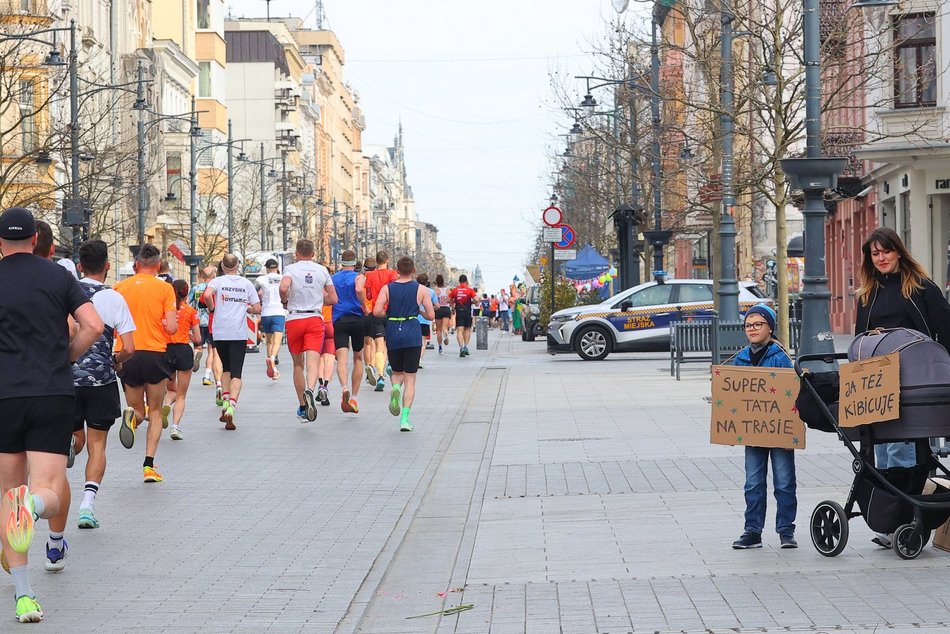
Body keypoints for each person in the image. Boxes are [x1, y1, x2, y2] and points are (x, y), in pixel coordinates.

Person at [0, 207, 104, 622]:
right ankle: (35, 507)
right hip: (51, 392)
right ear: (36, 240)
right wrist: (66, 358)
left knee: (8, 493)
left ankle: (24, 596)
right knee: (49, 489)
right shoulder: (59, 276)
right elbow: (93, 326)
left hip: (4, 394)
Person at [853, 227, 950, 547]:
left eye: (886, 251)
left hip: (917, 383)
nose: (881, 258)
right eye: (874, 253)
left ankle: (908, 522)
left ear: (899, 252)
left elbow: (945, 331)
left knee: (908, 452)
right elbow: (859, 342)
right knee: (889, 451)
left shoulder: (921, 288)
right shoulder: (867, 294)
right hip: (881, 387)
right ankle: (901, 522)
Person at [62, 240, 136, 537]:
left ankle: (68, 443)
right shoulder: (114, 298)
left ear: (79, 265)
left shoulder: (66, 293)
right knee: (97, 445)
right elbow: (129, 348)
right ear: (107, 266)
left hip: (67, 378)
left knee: (76, 437)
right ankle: (87, 506)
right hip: (102, 380)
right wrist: (116, 360)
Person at [730, 304, 797, 550]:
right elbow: (733, 397)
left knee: (784, 481)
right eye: (748, 325)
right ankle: (752, 530)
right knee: (753, 482)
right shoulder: (740, 358)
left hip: (779, 432)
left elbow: (790, 393)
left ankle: (786, 530)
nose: (753, 329)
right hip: (752, 432)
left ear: (770, 327)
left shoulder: (780, 357)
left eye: (758, 324)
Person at [114, 244, 178, 483]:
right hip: (154, 353)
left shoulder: (120, 287)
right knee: (154, 411)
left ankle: (131, 418)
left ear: (136, 265)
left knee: (138, 411)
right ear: (158, 266)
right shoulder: (165, 288)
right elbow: (171, 327)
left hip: (126, 352)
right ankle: (149, 466)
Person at [373, 256, 435, 432]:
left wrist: (390, 314)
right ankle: (405, 419)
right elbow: (430, 316)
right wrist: (418, 309)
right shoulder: (421, 289)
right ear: (413, 270)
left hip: (393, 329)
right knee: (410, 378)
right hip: (412, 331)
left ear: (397, 271)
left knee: (397, 371)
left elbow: (377, 311)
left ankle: (394, 387)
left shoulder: (387, 288)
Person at [279, 239, 337, 422]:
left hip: (295, 318)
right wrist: (320, 300)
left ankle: (303, 406)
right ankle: (310, 390)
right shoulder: (322, 270)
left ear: (297, 253)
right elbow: (334, 298)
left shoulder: (291, 269)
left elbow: (283, 287)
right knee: (313, 362)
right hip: (314, 318)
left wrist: (284, 300)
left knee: (298, 364)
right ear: (313, 254)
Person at [202, 254, 261, 430]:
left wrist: (212, 308)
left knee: (226, 369)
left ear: (222, 265)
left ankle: (226, 400)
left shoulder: (218, 281)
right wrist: (247, 307)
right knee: (237, 372)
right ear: (238, 266)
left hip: (220, 332)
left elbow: (206, 295)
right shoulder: (246, 283)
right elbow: (257, 308)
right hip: (238, 332)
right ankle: (232, 406)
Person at [163, 280, 202, 440]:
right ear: (186, 293)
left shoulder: (165, 310)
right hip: (184, 350)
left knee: (171, 389)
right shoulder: (191, 311)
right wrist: (188, 335)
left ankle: (165, 405)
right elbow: (198, 339)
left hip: (166, 351)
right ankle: (175, 426)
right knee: (181, 395)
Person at [332, 250, 366, 413]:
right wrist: (364, 305)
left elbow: (327, 295)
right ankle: (354, 397)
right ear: (354, 263)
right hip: (357, 319)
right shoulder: (358, 277)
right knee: (358, 357)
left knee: (341, 358)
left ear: (341, 262)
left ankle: (344, 387)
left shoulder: (334, 278)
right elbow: (359, 290)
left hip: (339, 319)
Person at [364, 251, 398, 391]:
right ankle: (390, 363)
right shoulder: (392, 274)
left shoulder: (369, 275)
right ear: (387, 260)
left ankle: (380, 375)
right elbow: (396, 291)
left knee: (378, 345)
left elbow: (369, 295)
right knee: (388, 344)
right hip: (390, 312)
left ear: (376, 261)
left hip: (376, 312)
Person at [191, 266, 221, 387]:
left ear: (202, 276)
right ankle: (207, 376)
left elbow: (188, 301)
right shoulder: (214, 288)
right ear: (213, 275)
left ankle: (195, 355)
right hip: (211, 322)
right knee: (212, 351)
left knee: (198, 346)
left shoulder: (196, 288)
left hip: (197, 322)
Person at [257, 259, 285, 380]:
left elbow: (255, 291)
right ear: (277, 267)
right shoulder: (283, 278)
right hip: (279, 311)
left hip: (266, 312)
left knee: (269, 341)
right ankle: (273, 358)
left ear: (267, 268)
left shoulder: (261, 279)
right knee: (277, 340)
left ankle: (272, 368)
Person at [361, 257, 379, 388]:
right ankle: (372, 366)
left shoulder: (360, 278)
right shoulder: (377, 277)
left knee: (366, 343)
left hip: (363, 312)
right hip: (374, 311)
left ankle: (368, 367)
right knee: (373, 342)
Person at [450, 275, 478, 356]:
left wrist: (454, 301)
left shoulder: (455, 290)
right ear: (466, 281)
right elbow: (476, 299)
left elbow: (448, 300)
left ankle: (461, 348)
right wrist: (473, 302)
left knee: (459, 330)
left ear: (459, 281)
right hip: (467, 312)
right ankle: (465, 346)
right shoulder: (470, 290)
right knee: (467, 329)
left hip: (459, 312)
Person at [416, 273, 437, 368]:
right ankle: (419, 360)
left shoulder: (413, 290)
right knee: (423, 342)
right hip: (425, 320)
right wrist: (431, 308)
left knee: (415, 341)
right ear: (427, 282)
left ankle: (413, 359)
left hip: (413, 319)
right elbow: (438, 305)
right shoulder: (431, 292)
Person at [433, 274, 452, 354]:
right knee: (444, 328)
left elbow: (433, 301)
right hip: (446, 309)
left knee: (438, 330)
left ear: (437, 282)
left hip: (438, 309)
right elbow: (451, 300)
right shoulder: (448, 290)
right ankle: (446, 334)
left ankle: (440, 348)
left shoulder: (435, 290)